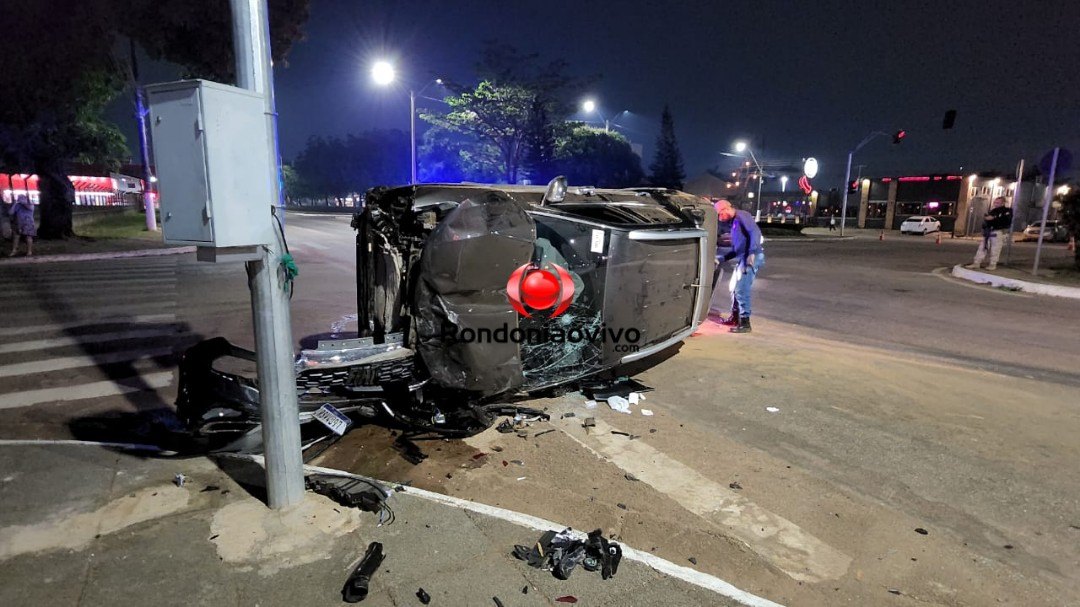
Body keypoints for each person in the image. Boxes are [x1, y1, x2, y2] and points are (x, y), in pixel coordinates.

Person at [713, 199, 764, 333]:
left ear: (725, 209)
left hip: (750, 258)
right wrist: (722, 258)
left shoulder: (742, 215)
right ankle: (735, 318)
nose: (720, 218)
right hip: (744, 257)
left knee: (741, 289)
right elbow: (737, 249)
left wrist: (751, 253)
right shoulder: (735, 222)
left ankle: (745, 323)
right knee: (734, 288)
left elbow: (755, 232)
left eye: (719, 214)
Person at [967, 197, 1011, 270]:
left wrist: (994, 218)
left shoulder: (1006, 211)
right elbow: (987, 220)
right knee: (982, 247)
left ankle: (992, 264)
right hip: (989, 231)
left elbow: (1005, 221)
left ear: (1003, 203)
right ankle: (976, 263)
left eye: (998, 203)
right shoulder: (993, 211)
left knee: (995, 249)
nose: (995, 204)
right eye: (995, 202)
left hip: (998, 232)